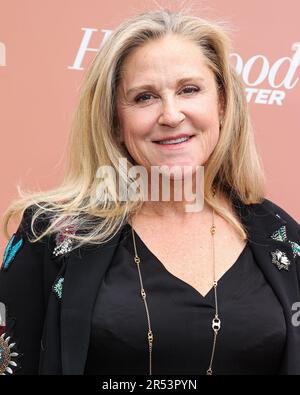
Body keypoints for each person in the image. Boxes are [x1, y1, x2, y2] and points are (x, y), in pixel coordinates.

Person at [0, 9, 300, 376]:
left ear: (222, 103)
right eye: (144, 97)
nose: (171, 115)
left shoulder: (280, 235)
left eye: (189, 89)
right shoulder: (48, 234)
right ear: (114, 119)